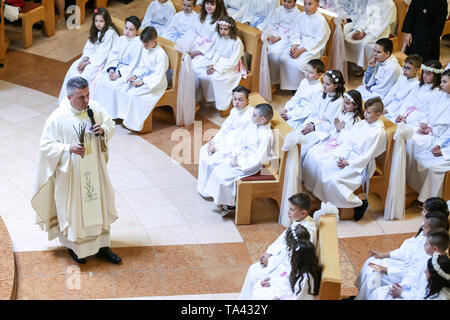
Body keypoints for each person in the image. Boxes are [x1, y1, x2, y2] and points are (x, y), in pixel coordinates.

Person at [31, 77, 121, 265]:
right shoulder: (58, 117)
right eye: (81, 97)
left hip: (95, 170)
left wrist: (103, 130)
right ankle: (76, 248)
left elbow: (110, 124)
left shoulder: (94, 109)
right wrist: (67, 148)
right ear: (69, 96)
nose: (86, 101)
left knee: (99, 205)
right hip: (72, 175)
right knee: (76, 210)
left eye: (88, 95)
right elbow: (45, 146)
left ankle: (103, 246)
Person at [302, 97, 387, 221]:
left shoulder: (378, 132)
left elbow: (367, 156)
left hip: (360, 164)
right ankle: (325, 201)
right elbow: (349, 141)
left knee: (334, 180)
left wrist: (349, 163)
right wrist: (342, 156)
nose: (365, 115)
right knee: (324, 167)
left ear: (378, 115)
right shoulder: (364, 123)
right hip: (346, 154)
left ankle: (358, 203)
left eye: (369, 113)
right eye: (365, 111)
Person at [355, 208, 449, 299]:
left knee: (375, 280)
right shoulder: (431, 247)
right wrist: (402, 285)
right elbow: (410, 267)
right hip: (405, 280)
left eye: (425, 225)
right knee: (371, 264)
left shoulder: (432, 265)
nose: (422, 226)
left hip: (406, 286)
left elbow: (419, 289)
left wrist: (401, 289)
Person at [198, 103, 274, 214]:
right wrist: (235, 155)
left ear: (262, 119)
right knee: (218, 169)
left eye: (254, 115)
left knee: (223, 176)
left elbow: (259, 159)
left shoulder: (266, 135)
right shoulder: (253, 126)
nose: (251, 117)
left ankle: (230, 204)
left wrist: (239, 162)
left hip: (249, 166)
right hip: (240, 158)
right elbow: (241, 142)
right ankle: (225, 201)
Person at [239, 193, 317, 299]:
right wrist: (269, 254)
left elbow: (292, 260)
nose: (288, 212)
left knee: (254, 276)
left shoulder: (305, 234)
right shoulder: (300, 223)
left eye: (292, 209)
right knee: (253, 270)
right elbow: (283, 245)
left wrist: (271, 262)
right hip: (283, 268)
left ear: (303, 213)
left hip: (285, 272)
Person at [197, 86, 253, 199]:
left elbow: (241, 139)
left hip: (235, 146)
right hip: (227, 140)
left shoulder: (250, 115)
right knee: (204, 150)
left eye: (240, 100)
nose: (236, 102)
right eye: (235, 99)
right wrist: (213, 142)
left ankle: (213, 192)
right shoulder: (234, 111)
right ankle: (204, 189)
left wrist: (218, 147)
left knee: (212, 160)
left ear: (247, 101)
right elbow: (225, 129)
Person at [406, 69, 450, 202]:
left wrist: (444, 151)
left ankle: (429, 199)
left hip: (444, 143)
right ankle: (415, 189)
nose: (440, 84)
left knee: (431, 166)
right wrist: (427, 125)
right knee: (419, 157)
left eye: (444, 82)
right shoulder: (441, 95)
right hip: (441, 139)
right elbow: (432, 114)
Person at [58, 8, 119, 104]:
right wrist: (85, 58)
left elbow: (103, 53)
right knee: (74, 67)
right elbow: (89, 47)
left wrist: (88, 63)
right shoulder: (95, 30)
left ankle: (81, 102)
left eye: (101, 21)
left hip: (101, 61)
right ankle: (68, 100)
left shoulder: (109, 33)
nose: (98, 24)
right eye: (96, 21)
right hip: (91, 58)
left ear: (106, 21)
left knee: (87, 74)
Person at [115, 26, 169, 132]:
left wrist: (143, 81)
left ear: (155, 41)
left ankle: (134, 123)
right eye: (143, 44)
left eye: (147, 44)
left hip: (156, 83)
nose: (144, 46)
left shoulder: (161, 55)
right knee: (124, 87)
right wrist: (135, 76)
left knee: (134, 95)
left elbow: (158, 75)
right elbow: (142, 66)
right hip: (144, 77)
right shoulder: (146, 48)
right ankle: (123, 117)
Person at [371, 227, 449, 300]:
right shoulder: (431, 261)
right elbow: (413, 276)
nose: (425, 272)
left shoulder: (437, 270)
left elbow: (421, 295)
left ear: (435, 249)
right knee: (379, 291)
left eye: (426, 244)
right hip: (408, 289)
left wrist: (402, 293)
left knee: (378, 290)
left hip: (409, 294)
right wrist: (403, 286)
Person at [92, 16, 142, 118]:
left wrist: (119, 74)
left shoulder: (139, 44)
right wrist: (112, 69)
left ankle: (113, 114)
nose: (127, 32)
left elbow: (135, 63)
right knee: (101, 80)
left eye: (131, 30)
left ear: (137, 31)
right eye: (126, 28)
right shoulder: (121, 39)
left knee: (116, 86)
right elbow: (113, 54)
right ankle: (99, 109)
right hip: (116, 67)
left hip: (127, 72)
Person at [192, 16, 245, 111]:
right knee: (202, 74)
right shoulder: (218, 37)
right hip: (218, 62)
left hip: (230, 67)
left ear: (231, 29)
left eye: (225, 29)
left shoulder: (237, 42)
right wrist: (212, 64)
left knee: (214, 78)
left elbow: (233, 61)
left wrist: (217, 68)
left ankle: (220, 102)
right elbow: (216, 52)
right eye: (220, 29)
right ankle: (207, 98)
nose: (222, 31)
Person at [279, 0, 331, 90]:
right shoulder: (301, 16)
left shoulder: (320, 20)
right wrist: (294, 45)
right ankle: (287, 85)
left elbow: (319, 40)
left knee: (299, 64)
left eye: (310, 4)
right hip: (300, 43)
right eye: (305, 4)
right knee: (284, 58)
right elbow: (295, 32)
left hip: (312, 48)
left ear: (317, 5)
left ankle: (299, 87)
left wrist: (301, 50)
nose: (306, 6)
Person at [302, 90, 363, 165]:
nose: (344, 105)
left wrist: (341, 130)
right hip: (333, 138)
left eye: (347, 103)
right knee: (311, 152)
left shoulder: (356, 121)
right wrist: (336, 128)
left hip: (342, 145)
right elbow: (333, 127)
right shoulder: (343, 112)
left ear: (356, 105)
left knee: (320, 161)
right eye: (344, 102)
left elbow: (351, 139)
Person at [251, 239, 322, 300]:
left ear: (299, 258)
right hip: (287, 293)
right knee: (259, 289)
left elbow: (298, 296)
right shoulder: (299, 269)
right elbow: (289, 282)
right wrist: (272, 280)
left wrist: (278, 297)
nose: (290, 256)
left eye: (292, 254)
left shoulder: (307, 278)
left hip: (291, 297)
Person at [298, 69, 346, 157]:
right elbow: (315, 111)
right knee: (297, 136)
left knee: (302, 147)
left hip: (323, 131)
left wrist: (315, 127)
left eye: (327, 84)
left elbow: (332, 125)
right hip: (314, 123)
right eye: (323, 82)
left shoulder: (339, 103)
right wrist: (311, 122)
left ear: (336, 85)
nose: (323, 86)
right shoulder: (323, 94)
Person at [343, 0, 396, 72]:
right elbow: (365, 17)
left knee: (364, 43)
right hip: (366, 29)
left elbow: (381, 24)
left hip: (378, 32)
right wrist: (359, 29)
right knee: (348, 37)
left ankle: (362, 67)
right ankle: (352, 62)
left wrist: (365, 33)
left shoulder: (390, 4)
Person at [392, 60, 443, 125]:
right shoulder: (419, 85)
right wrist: (401, 114)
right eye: (424, 73)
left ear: (436, 76)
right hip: (406, 114)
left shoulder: (436, 92)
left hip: (417, 121)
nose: (424, 76)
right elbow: (408, 101)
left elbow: (427, 113)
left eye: (428, 74)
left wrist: (407, 120)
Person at [280, 59, 324, 131]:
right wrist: (287, 109)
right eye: (306, 70)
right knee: (279, 120)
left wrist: (290, 115)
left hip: (303, 115)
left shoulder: (318, 89)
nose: (307, 74)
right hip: (297, 109)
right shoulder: (304, 81)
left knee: (288, 128)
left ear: (319, 75)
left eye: (310, 72)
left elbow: (309, 109)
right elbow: (296, 97)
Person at [264, 0, 301, 86]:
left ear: (294, 2)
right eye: (284, 1)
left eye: (289, 2)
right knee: (264, 47)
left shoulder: (298, 14)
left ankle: (274, 80)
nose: (286, 4)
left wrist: (280, 37)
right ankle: (264, 77)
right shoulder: (279, 10)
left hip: (287, 37)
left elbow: (295, 31)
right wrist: (272, 35)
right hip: (277, 33)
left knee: (274, 53)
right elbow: (273, 24)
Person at [382, 54, 422, 119]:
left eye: (408, 68)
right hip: (390, 105)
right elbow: (391, 93)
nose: (404, 70)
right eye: (404, 67)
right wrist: (382, 104)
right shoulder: (402, 77)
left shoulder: (416, 85)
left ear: (416, 70)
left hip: (397, 110)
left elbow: (405, 103)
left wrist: (388, 110)